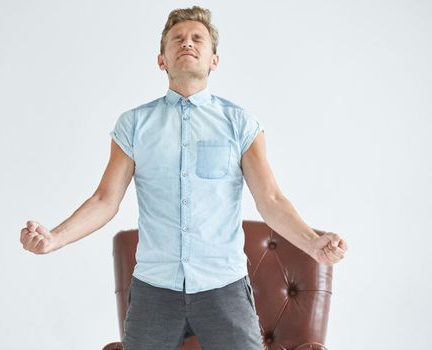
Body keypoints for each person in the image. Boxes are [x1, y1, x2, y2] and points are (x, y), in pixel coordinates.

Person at [19, 5, 348, 350]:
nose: (187, 43)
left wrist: (313, 243)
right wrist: (54, 238)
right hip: (154, 291)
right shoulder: (133, 125)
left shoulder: (240, 125)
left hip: (225, 287)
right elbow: (105, 200)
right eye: (177, 39)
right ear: (162, 60)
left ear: (213, 60)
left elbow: (271, 200)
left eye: (197, 39)